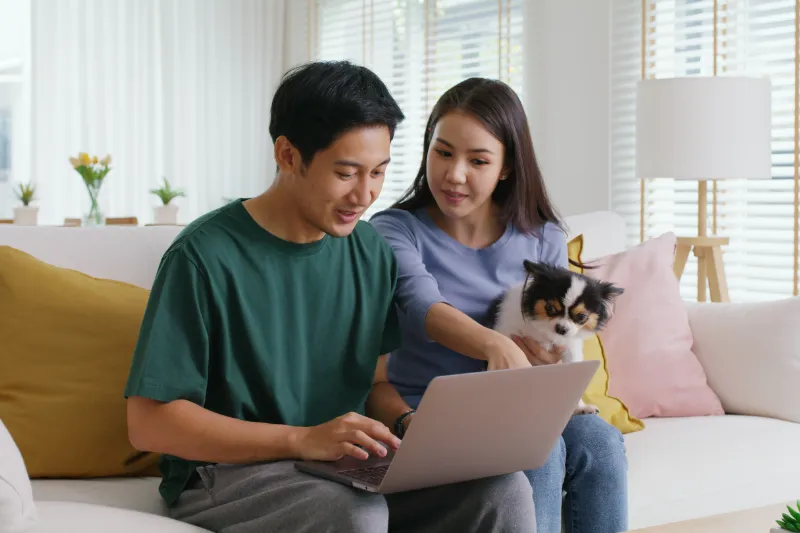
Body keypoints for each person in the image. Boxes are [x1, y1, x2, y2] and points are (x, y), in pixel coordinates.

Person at [123, 61, 537, 533]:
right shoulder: (202, 257)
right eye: (346, 173)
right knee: (353, 513)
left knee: (503, 490)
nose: (365, 195)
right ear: (287, 154)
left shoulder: (370, 251)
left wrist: (406, 425)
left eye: (378, 172)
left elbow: (376, 384)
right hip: (228, 473)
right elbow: (149, 423)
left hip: (343, 466)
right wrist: (303, 439)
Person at [369, 77, 628, 533]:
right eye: (443, 152)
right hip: (431, 422)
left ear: (506, 167)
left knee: (600, 441)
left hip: (520, 408)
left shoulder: (544, 236)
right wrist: (497, 346)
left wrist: (550, 363)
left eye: (478, 160)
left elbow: (555, 348)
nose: (454, 174)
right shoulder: (395, 230)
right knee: (540, 452)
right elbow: (419, 303)